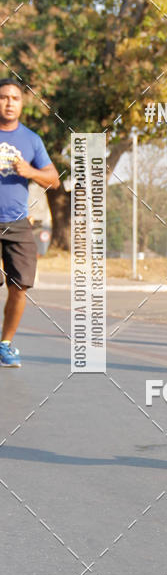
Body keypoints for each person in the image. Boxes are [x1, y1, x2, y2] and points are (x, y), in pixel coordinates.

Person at [0, 79, 60, 367]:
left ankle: (5, 344)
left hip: (17, 222)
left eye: (15, 98)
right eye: (3, 97)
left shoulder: (31, 140)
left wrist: (29, 170)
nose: (9, 103)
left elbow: (53, 178)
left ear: (22, 104)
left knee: (19, 286)